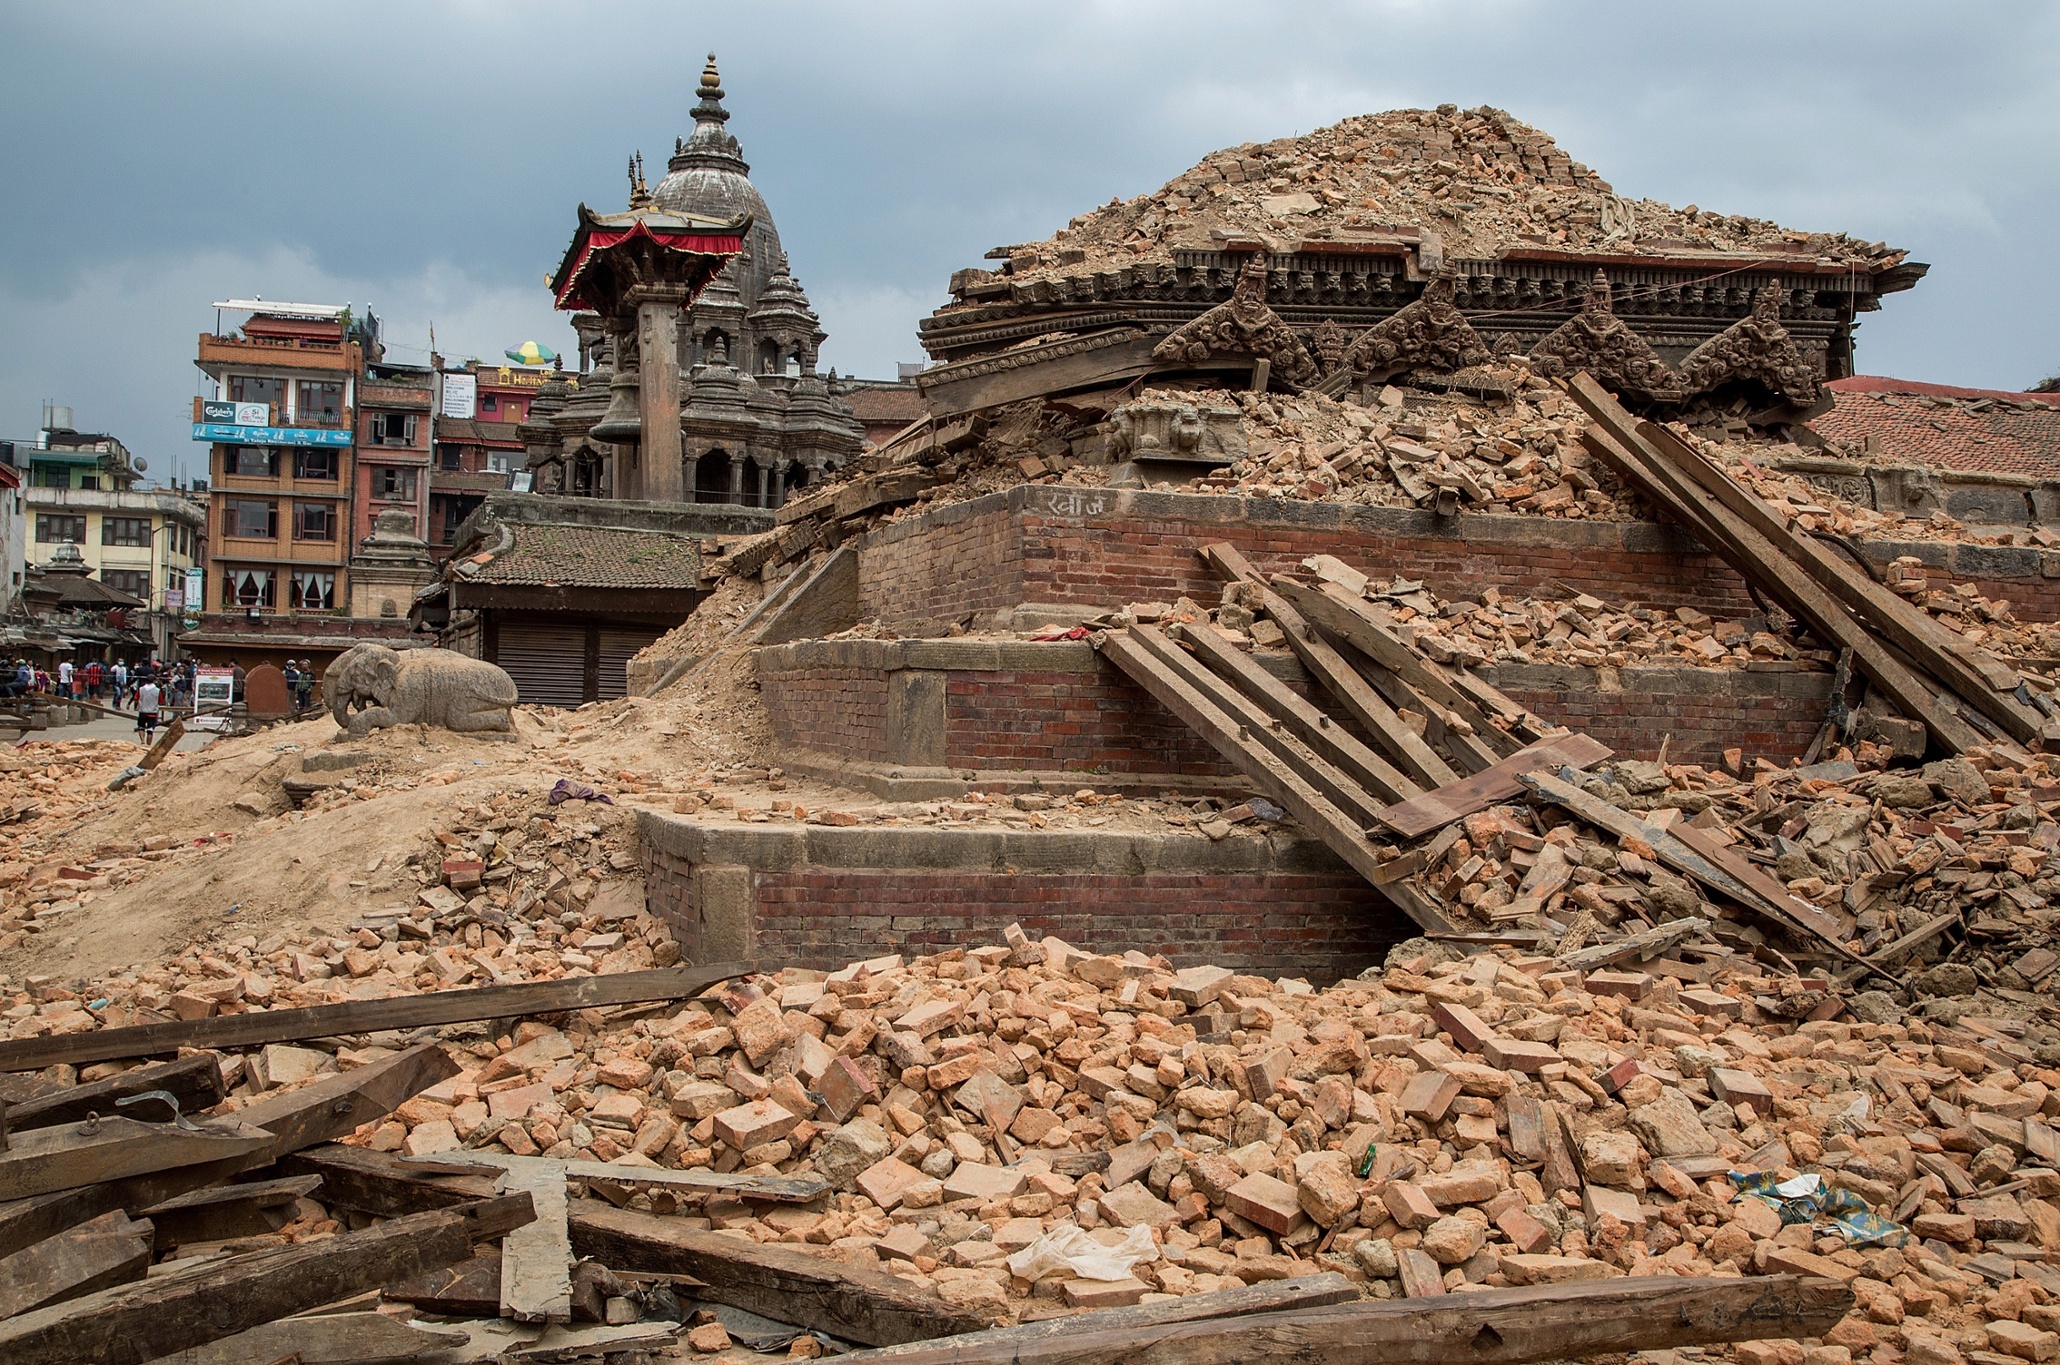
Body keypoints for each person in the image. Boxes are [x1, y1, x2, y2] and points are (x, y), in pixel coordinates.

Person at [134, 676, 162, 743]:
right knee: (150, 730)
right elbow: (160, 701)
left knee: (141, 727)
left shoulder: (141, 689)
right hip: (152, 712)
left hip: (142, 711)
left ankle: (142, 741)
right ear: (154, 681)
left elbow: (136, 698)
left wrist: (138, 705)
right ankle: (148, 744)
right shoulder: (157, 691)